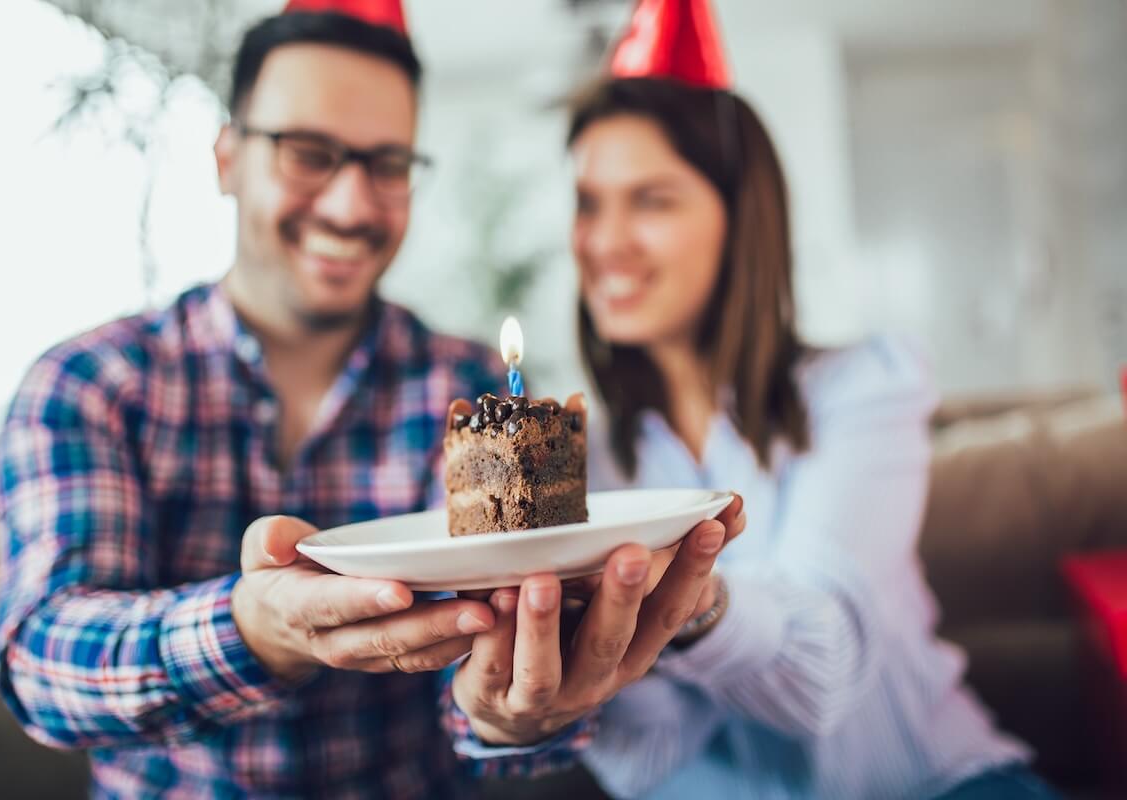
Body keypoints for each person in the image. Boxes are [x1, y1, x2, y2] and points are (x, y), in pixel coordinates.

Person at [0, 0, 739, 796]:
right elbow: (41, 666)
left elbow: (498, 694)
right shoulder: (91, 386)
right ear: (227, 159)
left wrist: (510, 714)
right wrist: (254, 629)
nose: (351, 206)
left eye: (388, 164)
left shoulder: (468, 393)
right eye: (308, 153)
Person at [449, 0, 1056, 798]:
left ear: (740, 219)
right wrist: (556, 680)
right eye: (589, 202)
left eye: (651, 199)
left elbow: (822, 678)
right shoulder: (585, 463)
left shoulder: (866, 387)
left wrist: (688, 602)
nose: (605, 241)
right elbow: (646, 757)